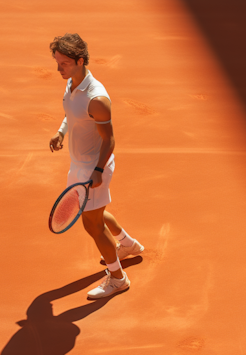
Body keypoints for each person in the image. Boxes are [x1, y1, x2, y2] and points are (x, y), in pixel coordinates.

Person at [48, 33, 144, 300]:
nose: (59, 68)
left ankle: (117, 278)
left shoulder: (97, 98)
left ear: (80, 61)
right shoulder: (72, 84)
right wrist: (61, 132)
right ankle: (128, 244)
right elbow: (72, 114)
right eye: (57, 62)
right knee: (94, 214)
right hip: (78, 164)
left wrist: (98, 171)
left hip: (93, 169)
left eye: (64, 63)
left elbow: (110, 139)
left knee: (91, 225)